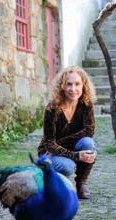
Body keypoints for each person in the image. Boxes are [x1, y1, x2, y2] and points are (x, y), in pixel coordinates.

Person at [37, 66, 96, 199]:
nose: (73, 89)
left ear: (83, 86)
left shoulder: (86, 105)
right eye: (69, 84)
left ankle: (81, 183)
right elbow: (49, 144)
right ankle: (48, 179)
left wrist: (73, 150)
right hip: (50, 152)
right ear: (62, 86)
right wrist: (76, 156)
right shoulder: (52, 108)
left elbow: (89, 130)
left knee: (88, 143)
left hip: (69, 148)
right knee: (68, 167)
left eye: (77, 84)